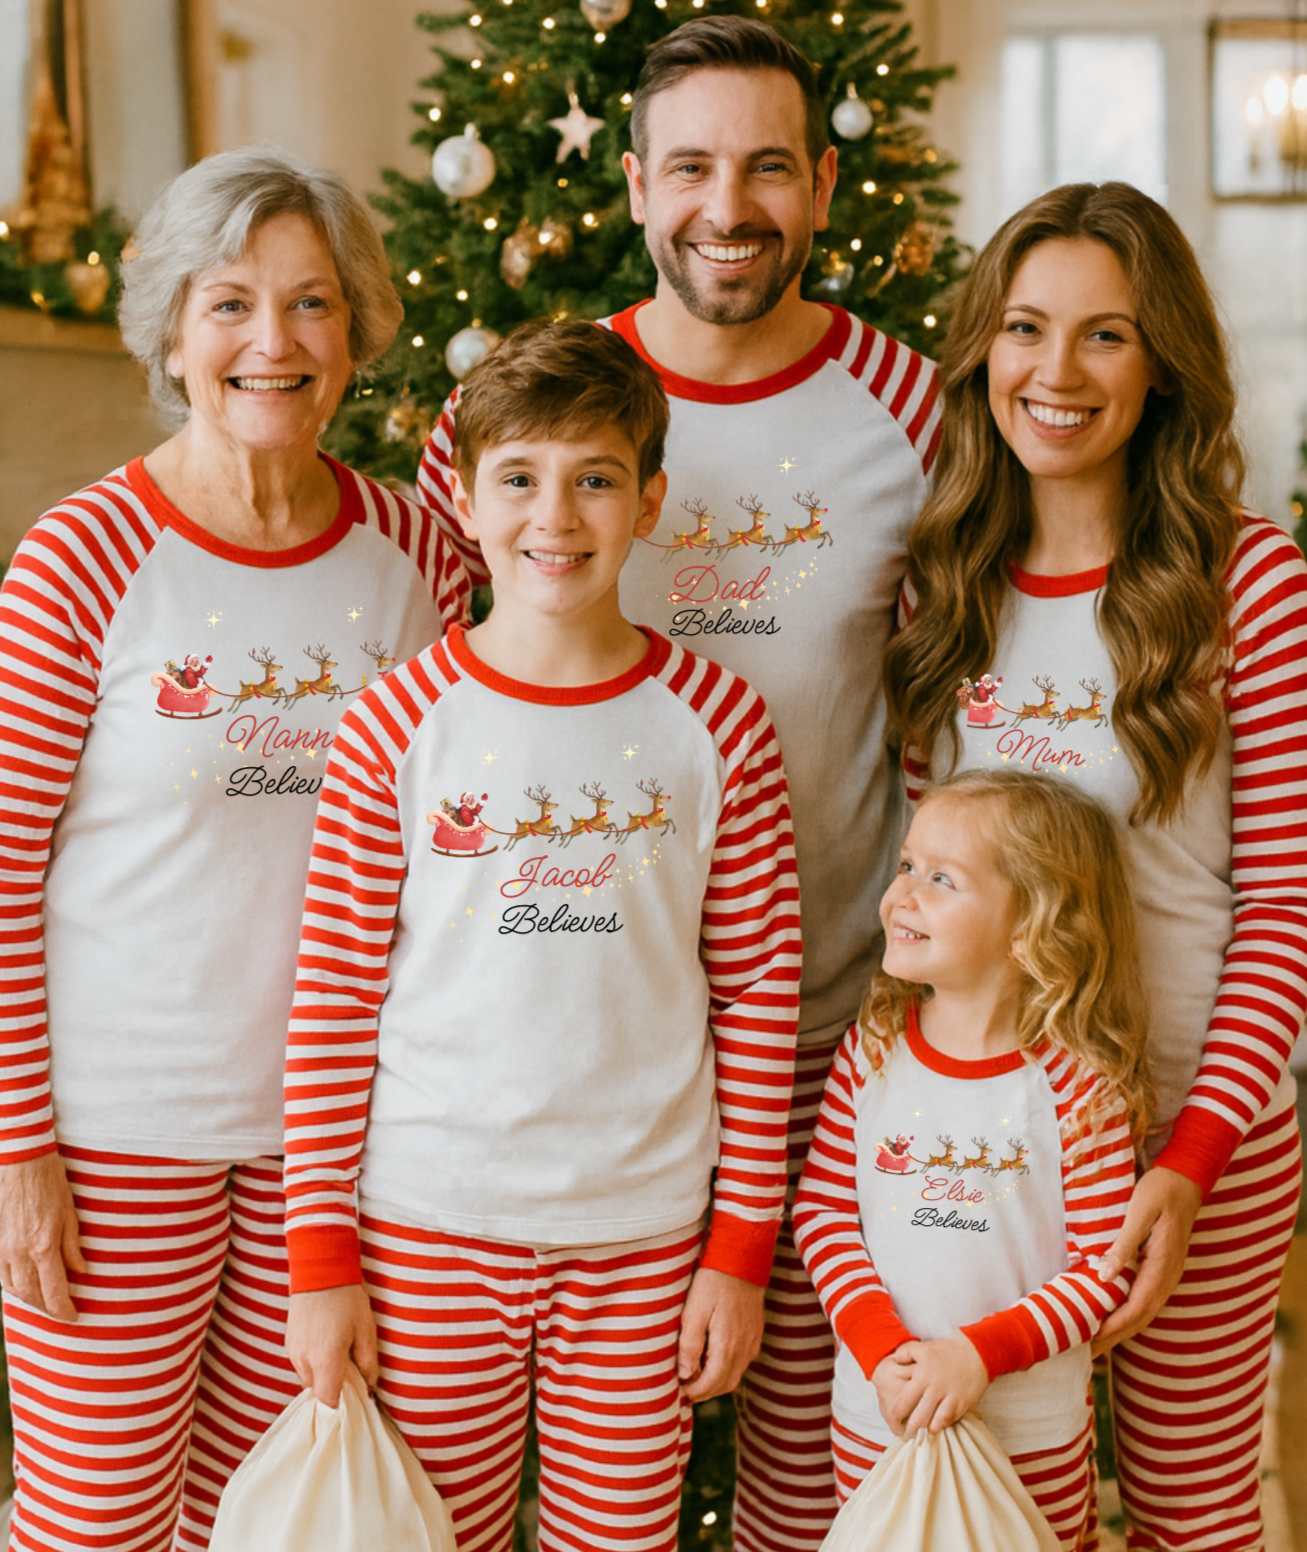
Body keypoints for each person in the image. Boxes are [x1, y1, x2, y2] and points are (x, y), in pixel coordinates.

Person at [414, 20, 941, 1545]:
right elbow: (458, 683)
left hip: (834, 1029)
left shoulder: (909, 411)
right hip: (591, 1061)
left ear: (824, 185)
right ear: (636, 188)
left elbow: (966, 680)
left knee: (808, 1473)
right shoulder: (532, 416)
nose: (730, 204)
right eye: (693, 166)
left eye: (769, 166)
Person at [0, 146, 469, 1552]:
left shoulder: (422, 552)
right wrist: (17, 1151)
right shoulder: (86, 556)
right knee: (99, 1518)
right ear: (174, 331)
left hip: (346, 1155)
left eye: (312, 304)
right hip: (122, 1140)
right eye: (229, 303)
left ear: (358, 329)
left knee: (276, 1521)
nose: (273, 342)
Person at [282, 319, 802, 1552]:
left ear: (650, 498)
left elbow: (762, 993)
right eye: (517, 478)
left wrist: (738, 1251)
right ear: (464, 498)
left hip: (643, 1234)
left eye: (594, 479)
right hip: (424, 1223)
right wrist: (319, 1261)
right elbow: (332, 999)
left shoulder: (718, 724)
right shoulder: (393, 725)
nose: (553, 517)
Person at [883, 181, 1307, 1550]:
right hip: (990, 1151)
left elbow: (1290, 901)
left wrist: (1187, 1161)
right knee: (996, 1509)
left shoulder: (1245, 585)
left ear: (1163, 364)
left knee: (1194, 1516)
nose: (1057, 373)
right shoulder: (942, 591)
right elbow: (932, 895)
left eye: (1105, 336)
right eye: (1026, 329)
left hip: (1193, 1145)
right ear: (984, 353)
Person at [793, 770, 1150, 1550]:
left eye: (942, 879)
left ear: (1030, 927)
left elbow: (1101, 1269)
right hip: (876, 1411)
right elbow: (823, 1216)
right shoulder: (872, 1053)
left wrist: (974, 1357)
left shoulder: (1076, 1085)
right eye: (907, 865)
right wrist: (884, 1350)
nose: (903, 894)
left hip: (1031, 1434)